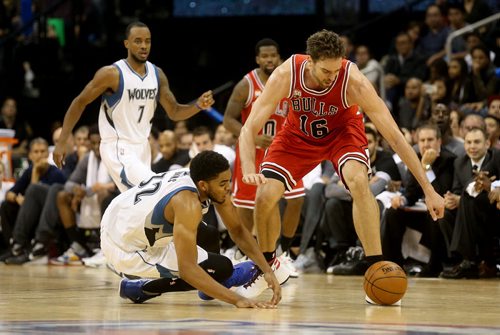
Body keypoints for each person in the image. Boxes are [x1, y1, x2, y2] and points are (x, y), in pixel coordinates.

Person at [238, 29, 445, 302]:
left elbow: (395, 137)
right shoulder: (286, 73)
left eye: (336, 70)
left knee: (359, 182)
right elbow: (249, 126)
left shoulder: (353, 81)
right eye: (326, 71)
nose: (332, 77)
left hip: (342, 134)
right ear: (309, 61)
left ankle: (375, 267)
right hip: (296, 136)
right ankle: (268, 266)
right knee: (264, 196)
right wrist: (249, 167)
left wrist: (429, 190)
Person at [102, 150, 281, 308]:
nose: (228, 188)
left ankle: (211, 288)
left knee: (210, 234)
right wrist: (236, 299)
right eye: (223, 184)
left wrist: (267, 269)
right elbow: (188, 269)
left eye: (228, 181)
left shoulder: (202, 177)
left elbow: (237, 230)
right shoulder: (187, 203)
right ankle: (141, 288)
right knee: (222, 268)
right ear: (203, 185)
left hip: (118, 214)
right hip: (124, 247)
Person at [52, 21, 214, 192]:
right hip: (118, 147)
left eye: (147, 41)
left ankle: (112, 220)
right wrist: (62, 141)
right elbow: (79, 102)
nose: (144, 46)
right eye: (138, 41)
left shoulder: (157, 74)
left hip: (143, 147)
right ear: (126, 43)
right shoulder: (111, 74)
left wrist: (197, 105)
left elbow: (174, 111)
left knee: (138, 207)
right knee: (154, 193)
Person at [222, 38, 304, 271]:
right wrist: (253, 137)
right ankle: (249, 253)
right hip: (253, 152)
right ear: (258, 59)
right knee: (247, 207)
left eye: (273, 55)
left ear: (278, 57)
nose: (269, 60)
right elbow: (228, 120)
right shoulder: (246, 84)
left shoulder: (288, 81)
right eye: (264, 56)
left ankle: (285, 253)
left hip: (284, 151)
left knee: (296, 199)